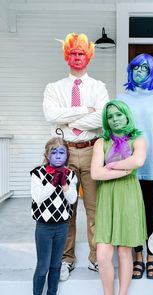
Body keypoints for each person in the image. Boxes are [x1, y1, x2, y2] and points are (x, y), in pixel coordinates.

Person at [43, 32, 109, 280]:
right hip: (64, 151)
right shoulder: (54, 88)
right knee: (65, 208)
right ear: (66, 57)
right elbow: (51, 115)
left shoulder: (98, 87)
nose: (77, 57)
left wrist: (68, 117)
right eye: (73, 53)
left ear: (88, 57)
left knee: (94, 208)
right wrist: (85, 110)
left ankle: (96, 257)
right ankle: (66, 258)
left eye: (81, 53)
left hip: (93, 150)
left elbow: (101, 117)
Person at [117, 53, 153, 279]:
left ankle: (152, 257)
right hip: (129, 165)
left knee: (152, 212)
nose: (139, 71)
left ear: (152, 71)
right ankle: (138, 257)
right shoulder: (122, 97)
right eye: (135, 67)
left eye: (144, 68)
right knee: (133, 213)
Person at [91, 100, 147, 295]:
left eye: (118, 115)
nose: (114, 119)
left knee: (124, 251)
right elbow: (96, 174)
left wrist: (111, 166)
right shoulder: (101, 142)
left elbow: (138, 160)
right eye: (110, 116)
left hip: (129, 196)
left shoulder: (138, 140)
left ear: (126, 116)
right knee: (103, 254)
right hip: (107, 197)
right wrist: (125, 170)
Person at [30, 137, 78, 295]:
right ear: (47, 155)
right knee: (43, 265)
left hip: (62, 226)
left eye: (62, 152)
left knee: (56, 265)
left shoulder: (70, 175)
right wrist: (52, 183)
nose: (58, 156)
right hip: (44, 227)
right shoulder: (38, 173)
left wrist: (64, 185)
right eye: (54, 152)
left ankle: (52, 292)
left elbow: (72, 199)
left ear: (67, 156)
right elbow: (38, 197)